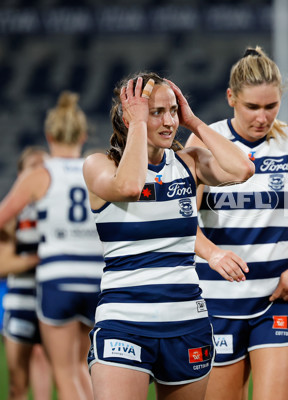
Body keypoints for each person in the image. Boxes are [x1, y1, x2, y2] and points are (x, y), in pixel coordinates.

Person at [83, 72, 254, 400]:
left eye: (173, 110)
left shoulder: (188, 163)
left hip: (187, 323)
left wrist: (195, 123)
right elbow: (131, 186)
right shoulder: (100, 165)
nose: (169, 121)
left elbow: (242, 169)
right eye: (156, 112)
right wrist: (136, 125)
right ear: (128, 115)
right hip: (124, 322)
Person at [185, 46, 288, 400]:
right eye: (252, 107)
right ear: (231, 98)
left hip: (278, 297)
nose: (262, 116)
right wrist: (213, 254)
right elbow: (183, 223)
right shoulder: (203, 143)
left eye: (271, 106)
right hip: (216, 300)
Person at [0, 91, 105, 400]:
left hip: (58, 278)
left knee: (65, 373)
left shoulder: (40, 174)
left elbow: (3, 216)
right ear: (84, 135)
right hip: (96, 278)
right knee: (83, 368)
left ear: (48, 135)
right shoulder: (96, 169)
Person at [1, 146, 54, 400]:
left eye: (43, 166)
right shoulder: (11, 216)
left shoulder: (59, 210)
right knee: (17, 385)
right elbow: (2, 264)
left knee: (46, 361)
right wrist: (43, 257)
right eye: (32, 166)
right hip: (20, 301)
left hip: (53, 301)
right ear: (21, 175)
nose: (39, 172)